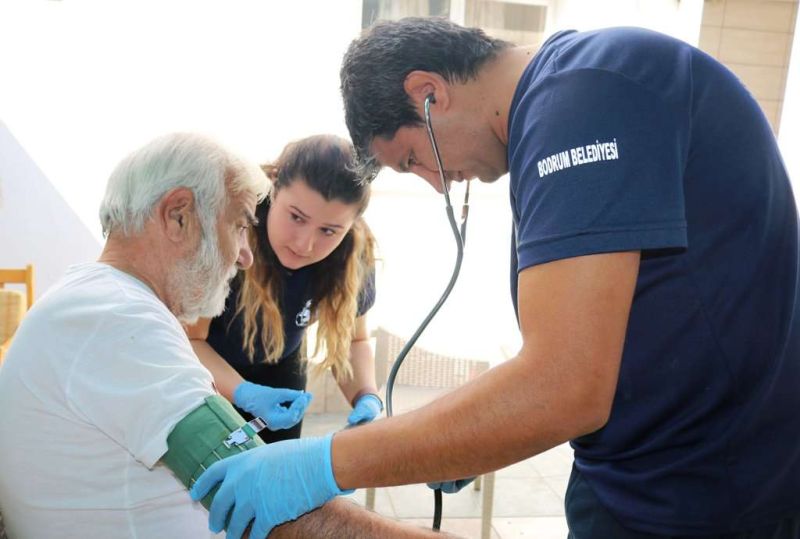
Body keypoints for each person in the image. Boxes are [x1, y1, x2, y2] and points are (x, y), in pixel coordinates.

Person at [190, 17, 800, 539]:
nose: (438, 181)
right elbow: (585, 357)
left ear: (429, 94)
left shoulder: (584, 95)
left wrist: (318, 465)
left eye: (411, 158)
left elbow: (563, 385)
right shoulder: (565, 109)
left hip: (707, 497)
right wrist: (461, 435)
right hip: (654, 478)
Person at [0, 132, 449, 539]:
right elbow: (267, 500)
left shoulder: (107, 305)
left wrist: (369, 409)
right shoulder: (115, 319)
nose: (244, 256)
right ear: (178, 216)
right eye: (238, 226)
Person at [186, 134, 382, 445]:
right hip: (204, 365)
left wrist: (366, 397)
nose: (304, 244)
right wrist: (244, 394)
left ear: (352, 224)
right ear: (274, 188)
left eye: (329, 231)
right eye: (296, 217)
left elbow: (354, 339)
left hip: (282, 367)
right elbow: (189, 341)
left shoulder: (354, 254)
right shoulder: (229, 230)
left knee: (274, 478)